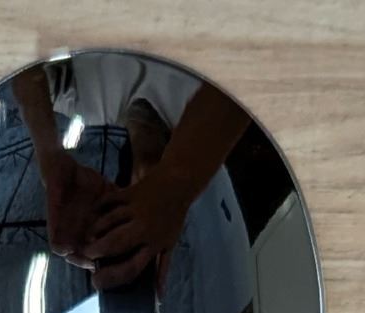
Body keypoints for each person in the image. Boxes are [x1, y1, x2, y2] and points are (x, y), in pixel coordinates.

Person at [13, 58, 249, 292]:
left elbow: (23, 63)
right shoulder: (215, 126)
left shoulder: (75, 97)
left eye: (121, 215)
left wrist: (49, 155)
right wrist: (176, 183)